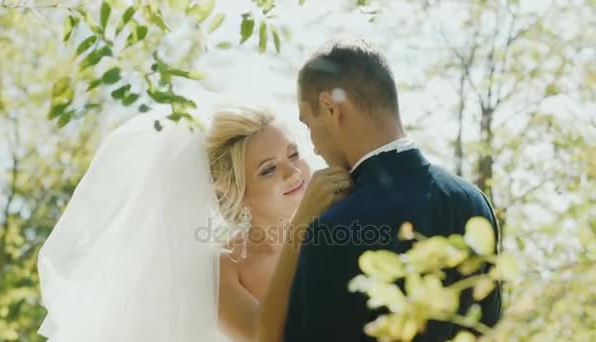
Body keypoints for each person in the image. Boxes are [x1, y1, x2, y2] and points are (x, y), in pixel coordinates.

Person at [37, 107, 353, 341]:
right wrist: (301, 227)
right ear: (239, 195)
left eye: (293, 153)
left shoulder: (342, 220)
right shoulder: (221, 270)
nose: (293, 171)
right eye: (268, 170)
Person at [272, 38, 502, 342]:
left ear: (330, 108)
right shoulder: (474, 201)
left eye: (308, 123)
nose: (312, 144)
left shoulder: (333, 227)